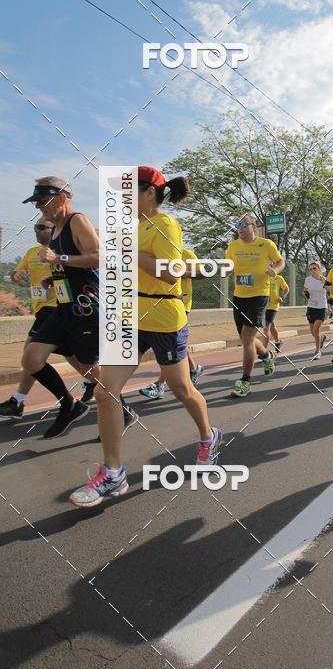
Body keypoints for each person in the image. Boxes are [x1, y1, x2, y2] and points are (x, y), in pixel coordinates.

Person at [70, 166, 222, 507]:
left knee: (182, 389)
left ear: (149, 192)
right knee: (106, 391)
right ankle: (113, 473)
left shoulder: (166, 225)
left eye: (128, 191)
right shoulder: (132, 227)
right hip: (128, 315)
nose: (122, 198)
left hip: (164, 316)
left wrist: (129, 254)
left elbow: (170, 276)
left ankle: (208, 437)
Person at [19, 177, 135, 440]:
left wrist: (58, 258)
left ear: (61, 198)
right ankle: (69, 405)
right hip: (63, 308)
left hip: (86, 310)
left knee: (90, 368)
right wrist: (55, 276)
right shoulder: (57, 228)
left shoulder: (77, 220)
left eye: (43, 202)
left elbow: (101, 257)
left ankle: (123, 411)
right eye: (37, 205)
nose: (40, 209)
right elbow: (73, 265)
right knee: (31, 358)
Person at [0, 219, 78, 420]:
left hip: (55, 309)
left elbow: (76, 274)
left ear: (54, 230)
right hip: (42, 309)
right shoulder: (32, 253)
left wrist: (54, 281)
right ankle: (102, 387)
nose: (37, 230)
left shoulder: (62, 252)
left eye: (42, 227)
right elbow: (20, 270)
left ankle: (19, 401)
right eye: (36, 227)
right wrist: (17, 275)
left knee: (31, 353)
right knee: (72, 355)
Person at [225, 214, 285, 397]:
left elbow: (280, 261)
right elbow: (228, 266)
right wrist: (225, 271)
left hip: (259, 295)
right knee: (246, 340)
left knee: (247, 335)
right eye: (237, 225)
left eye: (244, 224)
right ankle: (267, 356)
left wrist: (274, 270)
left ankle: (245, 381)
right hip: (239, 296)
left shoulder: (266, 244)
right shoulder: (233, 246)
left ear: (254, 226)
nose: (240, 228)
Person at [138, 246, 204, 400]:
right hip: (154, 306)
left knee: (168, 348)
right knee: (175, 345)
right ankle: (194, 368)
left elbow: (201, 274)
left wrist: (183, 273)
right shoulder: (153, 253)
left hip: (179, 304)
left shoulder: (187, 254)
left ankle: (160, 385)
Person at [303, 261, 328, 358]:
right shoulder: (308, 279)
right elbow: (305, 290)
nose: (312, 271)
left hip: (322, 307)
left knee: (316, 329)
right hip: (311, 307)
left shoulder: (324, 279)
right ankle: (321, 338)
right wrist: (307, 295)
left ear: (319, 269)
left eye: (314, 268)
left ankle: (317, 351)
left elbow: (331, 289)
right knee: (313, 332)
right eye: (311, 269)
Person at [265, 272, 289, 354]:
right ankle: (278, 342)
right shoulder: (261, 277)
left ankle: (263, 351)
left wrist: (281, 297)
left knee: (266, 328)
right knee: (272, 326)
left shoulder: (278, 278)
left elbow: (286, 289)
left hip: (273, 306)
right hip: (262, 306)